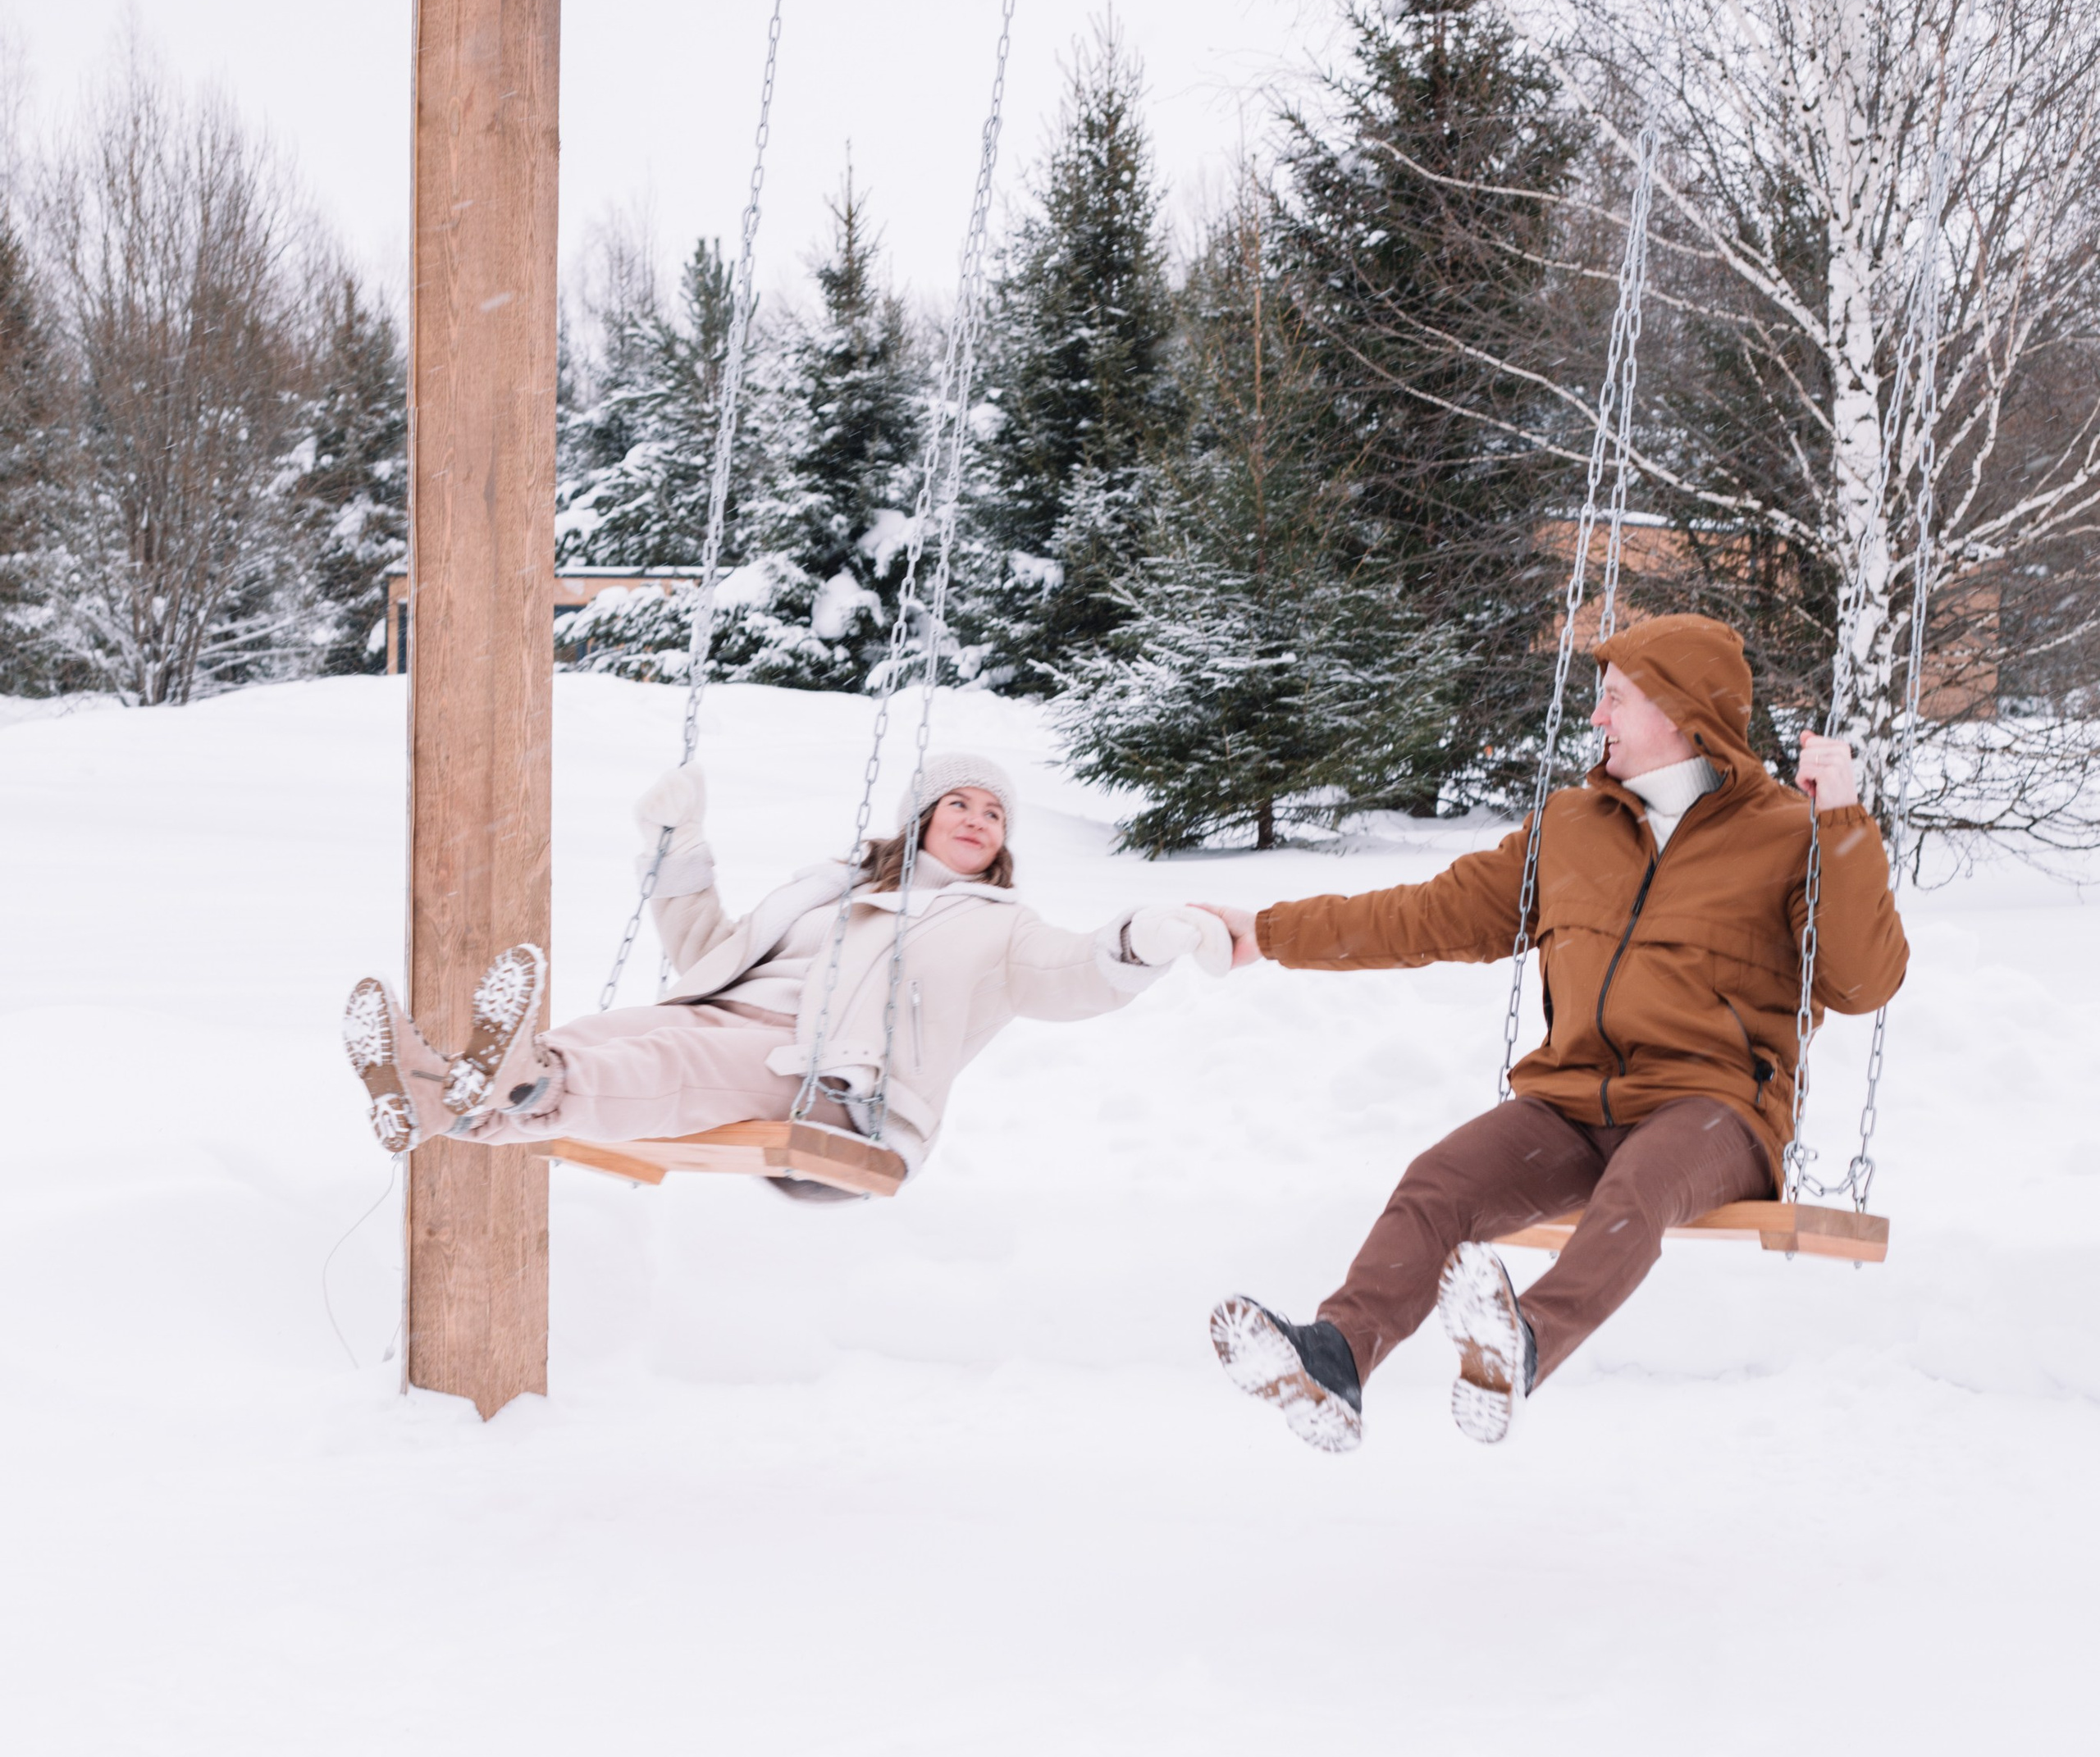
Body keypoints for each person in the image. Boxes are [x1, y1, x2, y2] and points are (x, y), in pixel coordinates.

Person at [1205, 613, 1910, 1449]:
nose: (1596, 718)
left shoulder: (1788, 836)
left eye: (1613, 699)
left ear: (1680, 713)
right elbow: (1426, 915)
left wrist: (1843, 828)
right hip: (1573, 1103)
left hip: (1714, 1110)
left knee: (1639, 1187)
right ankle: (1334, 1359)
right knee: (1439, 1183)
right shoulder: (1569, 830)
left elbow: (1862, 982)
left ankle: (1521, 1345)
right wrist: (1270, 932)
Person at [342, 751, 1230, 1185]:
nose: (976, 816)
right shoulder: (828, 887)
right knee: (609, 1033)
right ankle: (442, 1089)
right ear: (919, 819)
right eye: (956, 802)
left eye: (993, 811)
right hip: (722, 1019)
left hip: (827, 1081)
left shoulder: (997, 926)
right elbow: (704, 954)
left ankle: (514, 1085)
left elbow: (1070, 977)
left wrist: (1134, 941)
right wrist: (675, 846)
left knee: (658, 1064)